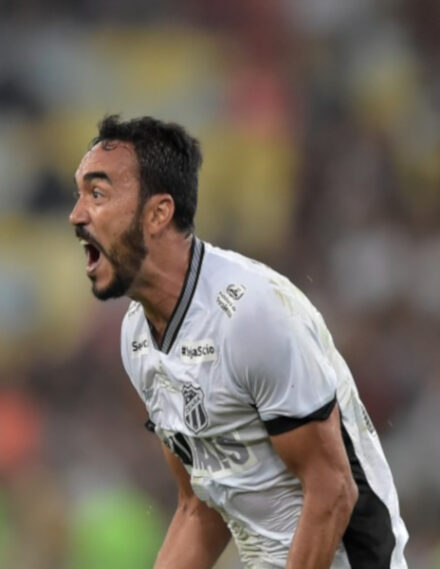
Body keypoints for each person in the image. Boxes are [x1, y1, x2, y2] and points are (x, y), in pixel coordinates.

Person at [68, 115, 408, 568]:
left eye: (97, 194)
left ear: (158, 213)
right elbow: (200, 505)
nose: (76, 214)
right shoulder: (137, 338)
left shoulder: (251, 315)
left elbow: (332, 491)